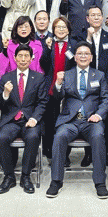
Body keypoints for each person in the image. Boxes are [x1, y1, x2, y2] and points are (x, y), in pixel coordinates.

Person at [46, 42, 108, 199]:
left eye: (86, 54)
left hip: (91, 120)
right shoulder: (67, 75)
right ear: (75, 57)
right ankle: (56, 181)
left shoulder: (99, 75)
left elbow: (105, 99)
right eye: (80, 54)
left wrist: (99, 115)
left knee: (98, 136)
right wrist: (58, 84)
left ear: (91, 58)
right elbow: (57, 97)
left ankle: (100, 182)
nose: (83, 56)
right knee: (59, 136)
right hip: (70, 121)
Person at [0, 44, 48, 195]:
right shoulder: (6, 78)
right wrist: (5, 94)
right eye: (20, 56)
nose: (23, 59)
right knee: (1, 137)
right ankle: (9, 176)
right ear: (15, 58)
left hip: (30, 120)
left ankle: (26, 176)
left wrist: (35, 119)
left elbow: (42, 102)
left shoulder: (39, 78)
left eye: (26, 56)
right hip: (11, 120)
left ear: (31, 59)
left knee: (33, 136)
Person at [74, 6, 108, 167]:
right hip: (86, 83)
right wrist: (89, 37)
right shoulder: (80, 37)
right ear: (87, 18)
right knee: (87, 117)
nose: (96, 18)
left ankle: (104, 153)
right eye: (93, 15)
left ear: (102, 17)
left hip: (104, 84)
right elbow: (80, 58)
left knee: (107, 118)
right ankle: (88, 154)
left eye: (99, 15)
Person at [39, 16, 76, 159]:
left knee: (66, 122)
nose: (61, 30)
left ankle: (65, 154)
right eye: (57, 27)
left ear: (68, 29)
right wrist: (48, 49)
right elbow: (43, 64)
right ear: (53, 30)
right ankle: (50, 151)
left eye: (63, 27)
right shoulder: (49, 43)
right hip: (50, 87)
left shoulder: (74, 44)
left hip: (68, 89)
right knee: (50, 120)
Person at [0, 16, 44, 80]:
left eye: (26, 26)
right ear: (16, 29)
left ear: (31, 28)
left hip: (33, 80)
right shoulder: (9, 44)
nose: (23, 29)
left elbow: (40, 67)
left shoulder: (37, 45)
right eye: (20, 27)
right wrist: (5, 49)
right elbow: (3, 66)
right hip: (13, 80)